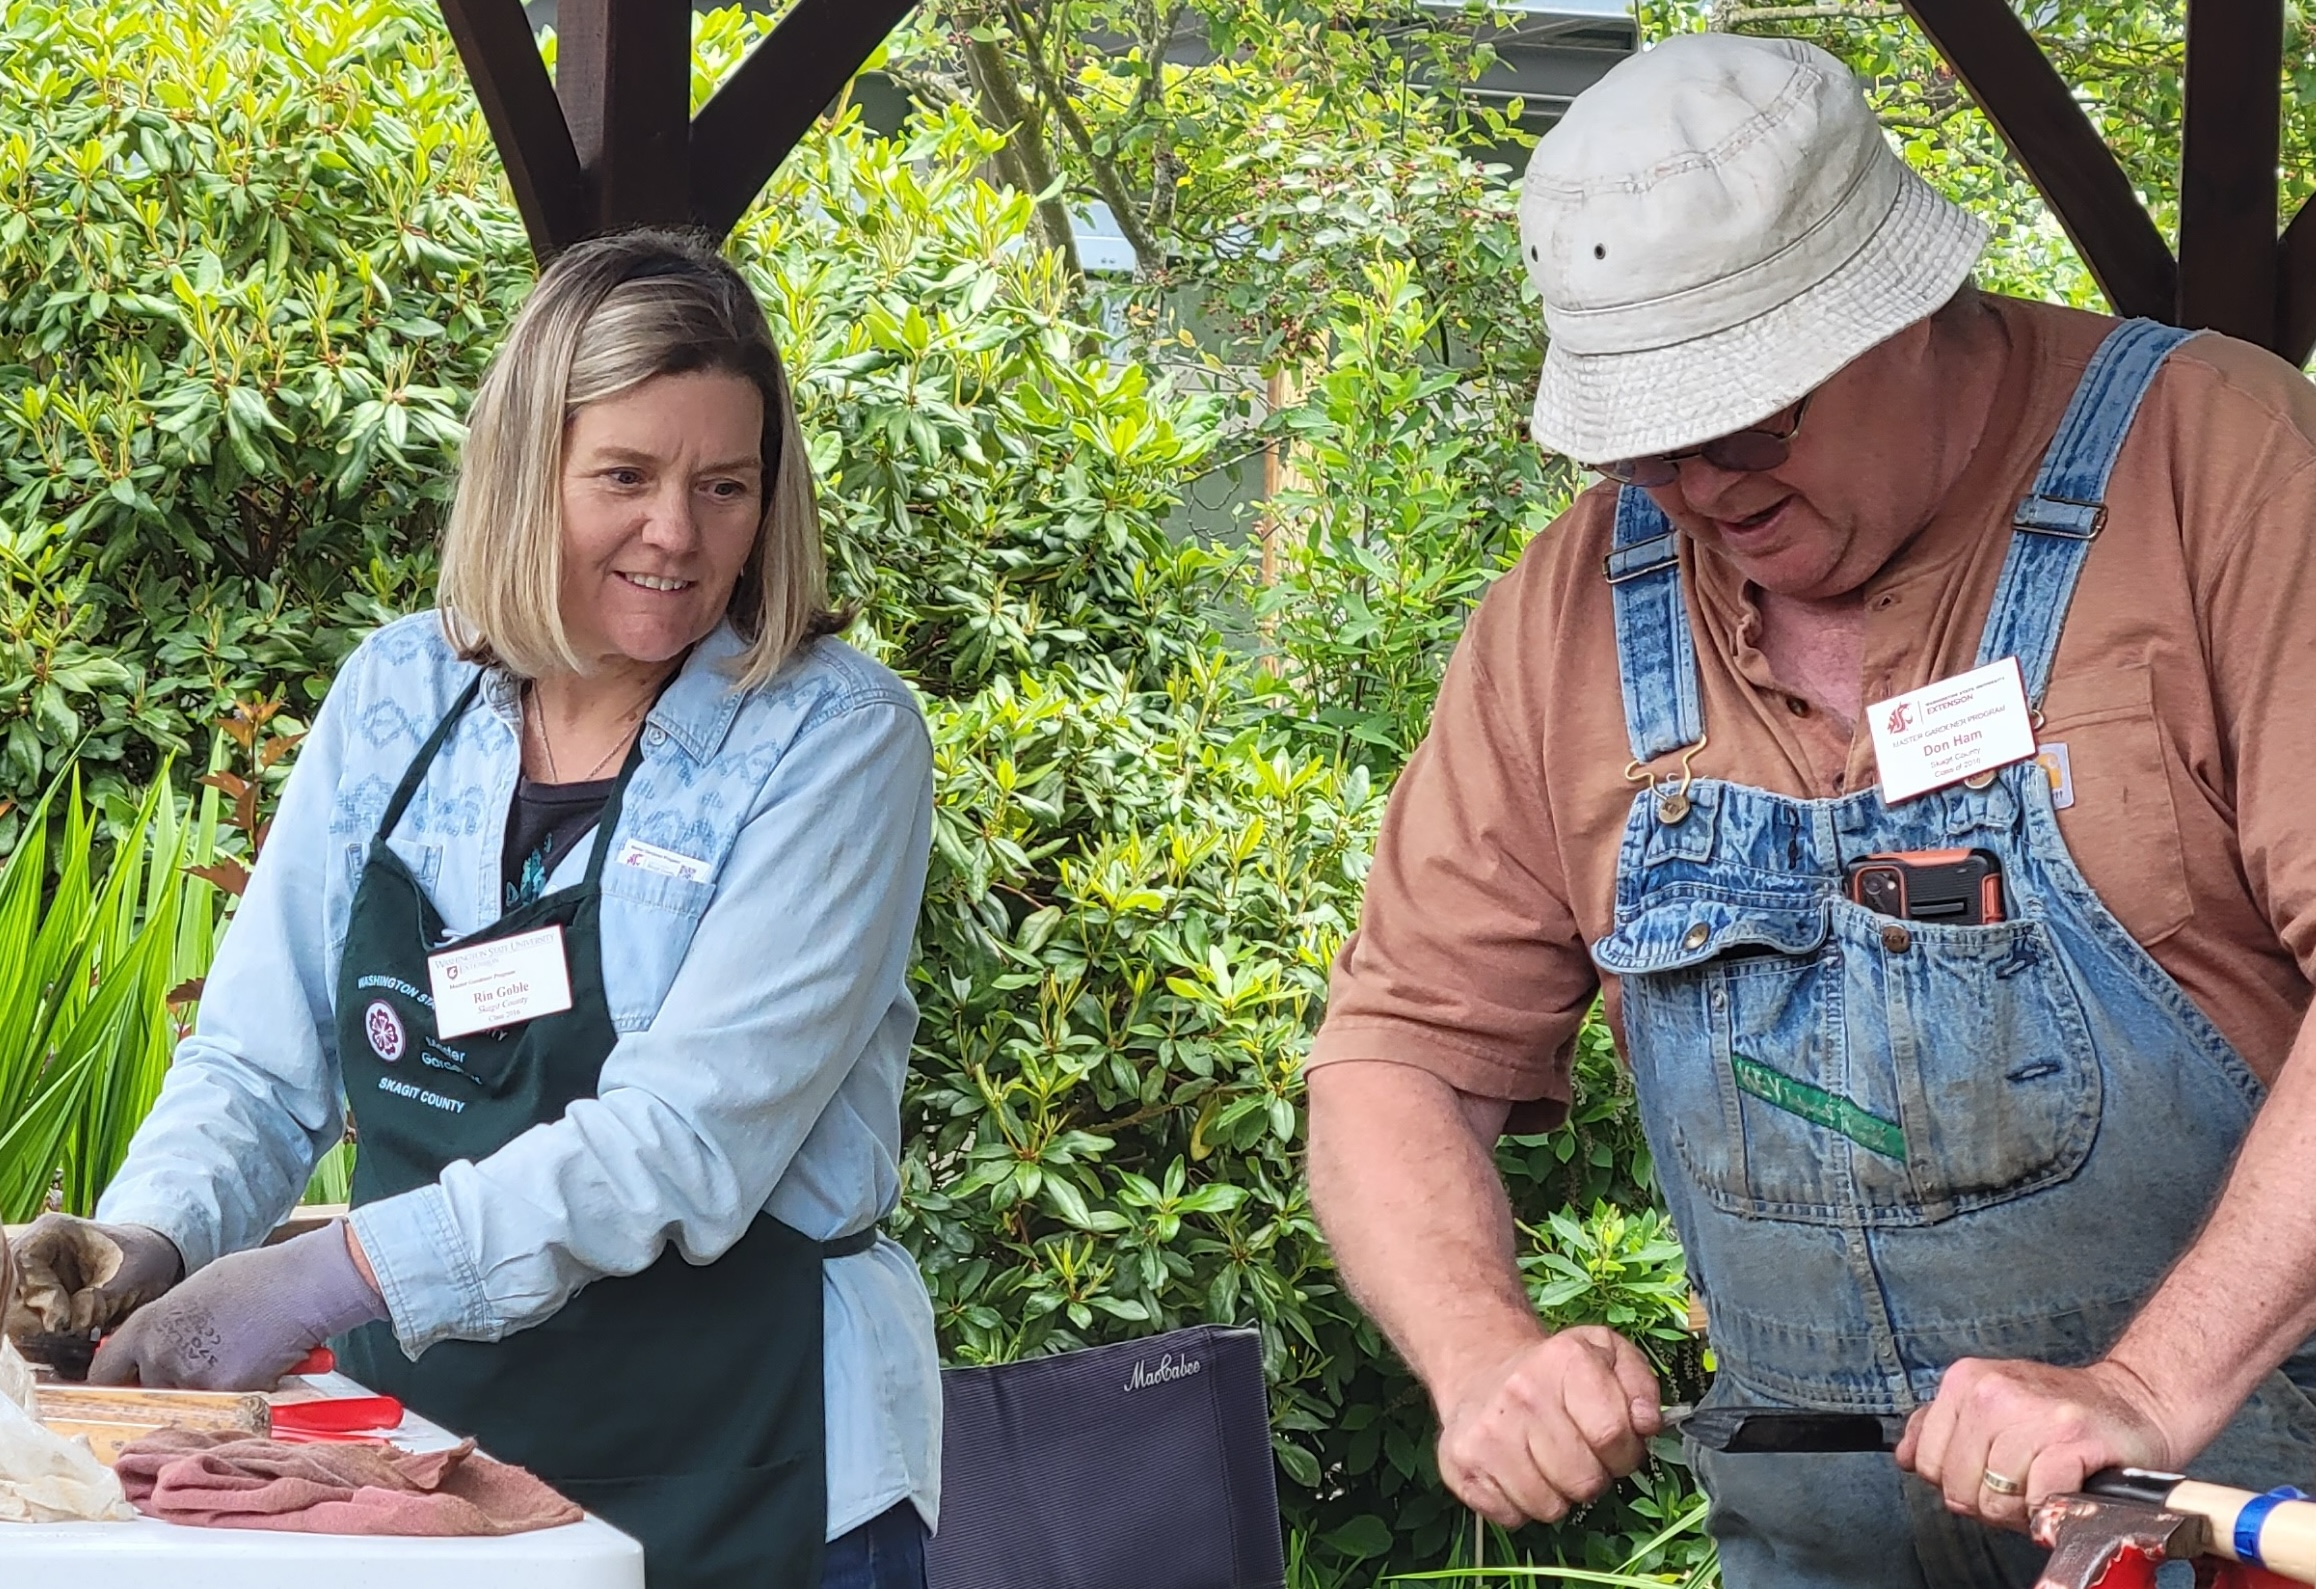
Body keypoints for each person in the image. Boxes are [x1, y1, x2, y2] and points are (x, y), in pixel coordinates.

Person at [1304, 32, 2316, 1589]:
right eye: (1645, 444)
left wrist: (2143, 1384)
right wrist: (1479, 1345)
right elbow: (1395, 1055)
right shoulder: (1568, 617)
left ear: (1901, 311)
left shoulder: (2220, 467)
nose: (1699, 486)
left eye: (1746, 421)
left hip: (2244, 1534)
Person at [5, 228, 939, 1589]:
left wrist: (329, 1276)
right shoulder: (400, 694)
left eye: (725, 486)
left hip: (755, 1463)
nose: (679, 533)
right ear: (523, 471)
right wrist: (147, 1237)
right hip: (422, 1469)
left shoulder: (834, 741)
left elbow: (685, 1142)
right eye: (625, 475)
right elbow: (260, 1064)